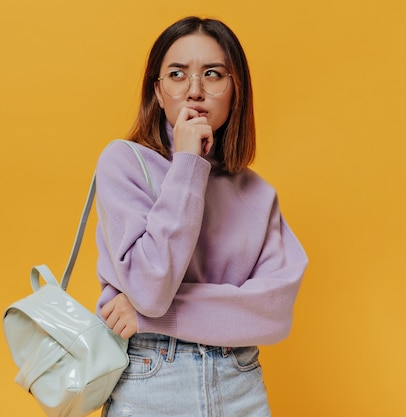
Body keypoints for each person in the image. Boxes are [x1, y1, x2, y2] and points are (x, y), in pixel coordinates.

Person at [94, 16, 308, 417]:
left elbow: (274, 313)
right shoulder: (123, 163)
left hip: (239, 381)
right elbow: (150, 287)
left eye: (212, 74)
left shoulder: (257, 194)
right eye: (177, 75)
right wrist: (188, 162)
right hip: (151, 382)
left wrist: (150, 317)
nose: (194, 91)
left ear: (235, 90)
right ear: (157, 92)